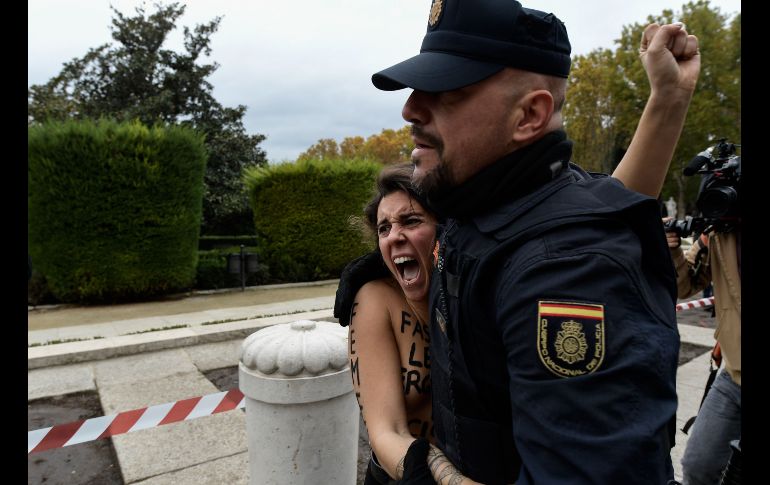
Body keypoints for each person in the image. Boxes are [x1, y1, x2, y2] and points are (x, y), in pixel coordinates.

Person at [361, 0, 700, 483]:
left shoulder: (567, 269)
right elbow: (606, 203)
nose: (410, 108)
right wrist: (668, 99)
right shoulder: (491, 203)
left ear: (528, 116)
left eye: (447, 92)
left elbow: (577, 237)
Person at [664, 226, 740, 484]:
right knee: (698, 465)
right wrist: (673, 250)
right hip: (734, 374)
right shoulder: (717, 232)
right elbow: (684, 286)